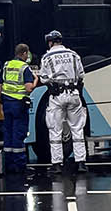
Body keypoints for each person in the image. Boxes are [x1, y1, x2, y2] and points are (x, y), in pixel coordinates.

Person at [35, 30, 87, 173]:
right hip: (74, 94)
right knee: (77, 129)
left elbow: (44, 78)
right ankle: (81, 162)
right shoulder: (74, 55)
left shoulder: (47, 57)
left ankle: (57, 164)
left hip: (57, 97)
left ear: (50, 42)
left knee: (55, 130)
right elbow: (81, 74)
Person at [0, 43, 36, 175]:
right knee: (18, 134)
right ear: (24, 53)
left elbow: (0, 85)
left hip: (7, 104)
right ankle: (20, 165)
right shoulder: (24, 68)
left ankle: (9, 164)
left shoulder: (7, 65)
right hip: (19, 105)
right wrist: (36, 80)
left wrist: (1, 103)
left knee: (8, 134)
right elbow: (29, 88)